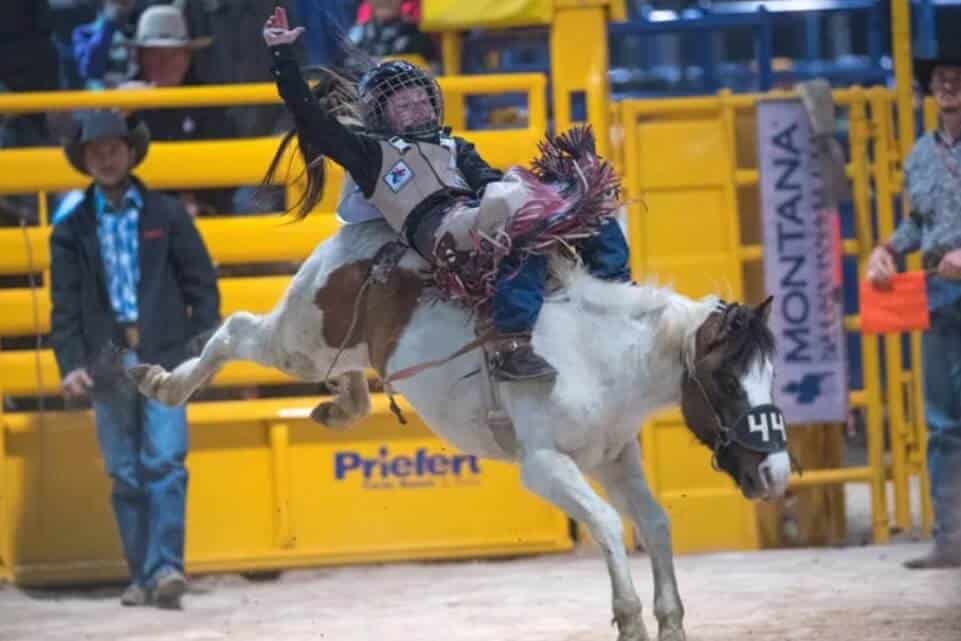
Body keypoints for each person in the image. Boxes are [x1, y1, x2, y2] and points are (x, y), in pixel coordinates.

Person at [263, 7, 629, 382]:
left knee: (583, 196)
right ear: (380, 114)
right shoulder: (370, 155)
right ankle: (510, 343)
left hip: (478, 211)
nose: (418, 108)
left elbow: (487, 180)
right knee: (521, 214)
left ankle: (615, 292)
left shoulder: (454, 146)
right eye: (404, 105)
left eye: (421, 99)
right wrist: (283, 56)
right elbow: (311, 120)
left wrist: (546, 198)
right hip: (439, 231)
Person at [49, 110, 221, 606]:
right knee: (125, 470)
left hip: (164, 353)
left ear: (129, 151)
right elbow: (65, 304)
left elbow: (201, 285)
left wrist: (200, 348)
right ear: (84, 159)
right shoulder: (71, 227)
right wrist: (70, 363)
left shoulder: (165, 214)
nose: (105, 157)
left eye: (113, 147)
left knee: (165, 460)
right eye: (95, 150)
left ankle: (164, 568)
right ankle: (144, 573)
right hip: (107, 357)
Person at [866, 45, 961, 570]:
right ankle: (951, 538)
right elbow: (917, 224)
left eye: (956, 77)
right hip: (942, 294)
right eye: (941, 78)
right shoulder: (920, 155)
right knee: (943, 420)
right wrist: (887, 250)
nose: (947, 86)